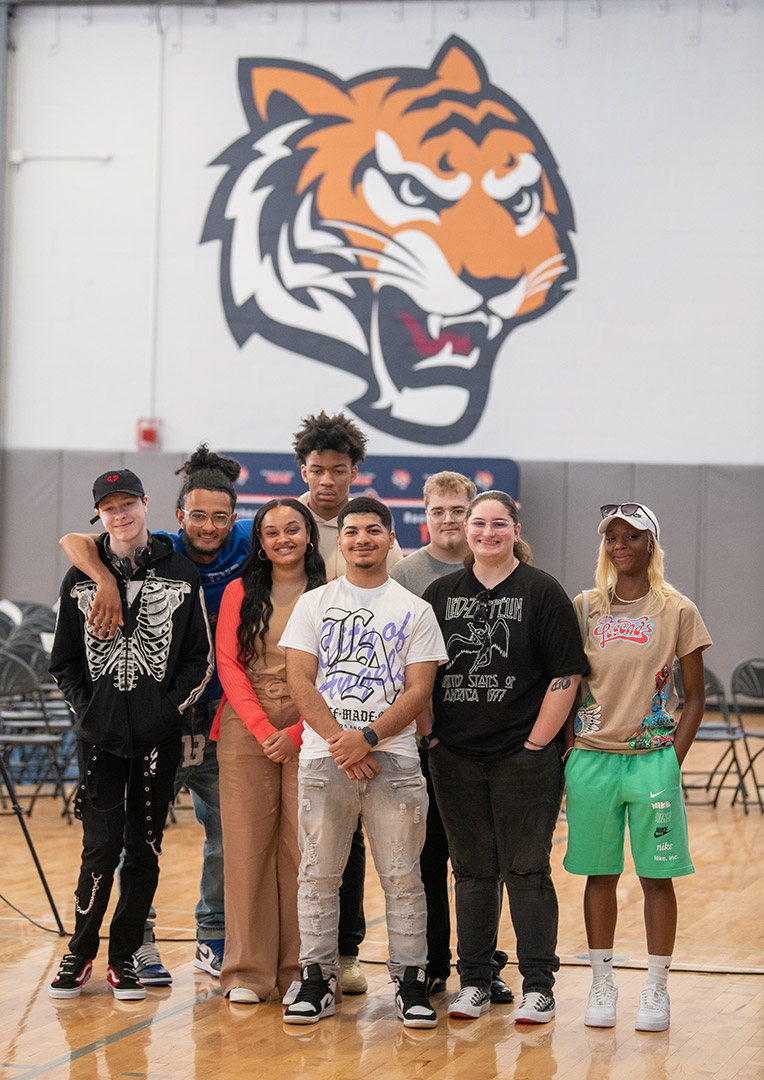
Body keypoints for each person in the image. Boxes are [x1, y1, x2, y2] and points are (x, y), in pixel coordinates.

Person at [58, 446, 254, 982]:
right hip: (122, 728)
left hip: (213, 717)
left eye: (219, 516)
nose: (208, 524)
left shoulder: (247, 545)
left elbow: (302, 525)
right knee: (117, 840)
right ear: (176, 514)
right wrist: (100, 578)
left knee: (218, 834)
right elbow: (74, 542)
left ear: (233, 519)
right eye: (197, 515)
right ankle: (132, 942)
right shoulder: (150, 550)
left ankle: (211, 937)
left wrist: (165, 712)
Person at [280, 496, 448, 1027]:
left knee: (404, 877)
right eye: (351, 531)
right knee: (318, 875)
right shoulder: (313, 603)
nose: (361, 539)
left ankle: (411, 982)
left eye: (373, 530)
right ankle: (316, 979)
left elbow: (420, 689)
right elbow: (299, 680)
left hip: (393, 760)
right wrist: (339, 740)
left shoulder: (415, 610)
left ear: (390, 539)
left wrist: (369, 736)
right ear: (341, 540)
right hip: (324, 757)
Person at [421, 490, 588, 1023]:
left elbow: (567, 674)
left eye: (499, 524)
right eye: (478, 523)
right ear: (465, 531)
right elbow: (420, 674)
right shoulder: (441, 593)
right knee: (470, 872)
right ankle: (473, 981)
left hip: (524, 759)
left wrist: (537, 742)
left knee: (526, 870)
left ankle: (538, 985)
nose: (487, 532)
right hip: (456, 757)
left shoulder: (543, 592)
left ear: (515, 530)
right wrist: (431, 738)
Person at [564, 503, 711, 1033]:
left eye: (632, 536)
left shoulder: (677, 609)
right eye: (613, 538)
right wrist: (566, 750)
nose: (621, 545)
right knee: (599, 874)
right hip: (591, 759)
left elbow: (695, 697)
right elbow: (564, 683)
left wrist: (673, 758)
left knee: (657, 877)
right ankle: (602, 983)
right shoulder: (584, 607)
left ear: (652, 544)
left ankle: (657, 988)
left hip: (652, 761)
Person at [391, 471, 515, 1005]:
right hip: (422, 744)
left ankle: (481, 968)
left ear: (474, 516)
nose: (448, 519)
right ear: (425, 513)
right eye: (437, 510)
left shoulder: (501, 569)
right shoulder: (405, 573)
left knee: (482, 863)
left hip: (484, 746)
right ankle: (434, 964)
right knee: (428, 859)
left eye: (458, 510)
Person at [292, 410, 403, 994]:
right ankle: (289, 954)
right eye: (317, 470)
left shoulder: (376, 536)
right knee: (303, 842)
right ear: (303, 471)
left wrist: (363, 732)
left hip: (363, 716)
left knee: (350, 837)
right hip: (293, 700)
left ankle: (345, 953)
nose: (327, 480)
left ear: (354, 471)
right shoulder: (284, 525)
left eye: (338, 470)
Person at [212, 498, 326, 1004]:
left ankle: (301, 972)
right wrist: (262, 729)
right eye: (272, 531)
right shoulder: (239, 590)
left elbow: (340, 670)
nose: (283, 538)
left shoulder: (330, 594)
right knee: (245, 850)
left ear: (308, 535)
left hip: (317, 722)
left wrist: (300, 731)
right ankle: (245, 973)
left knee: (304, 852)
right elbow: (227, 664)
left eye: (293, 529)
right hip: (245, 725)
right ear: (259, 541)